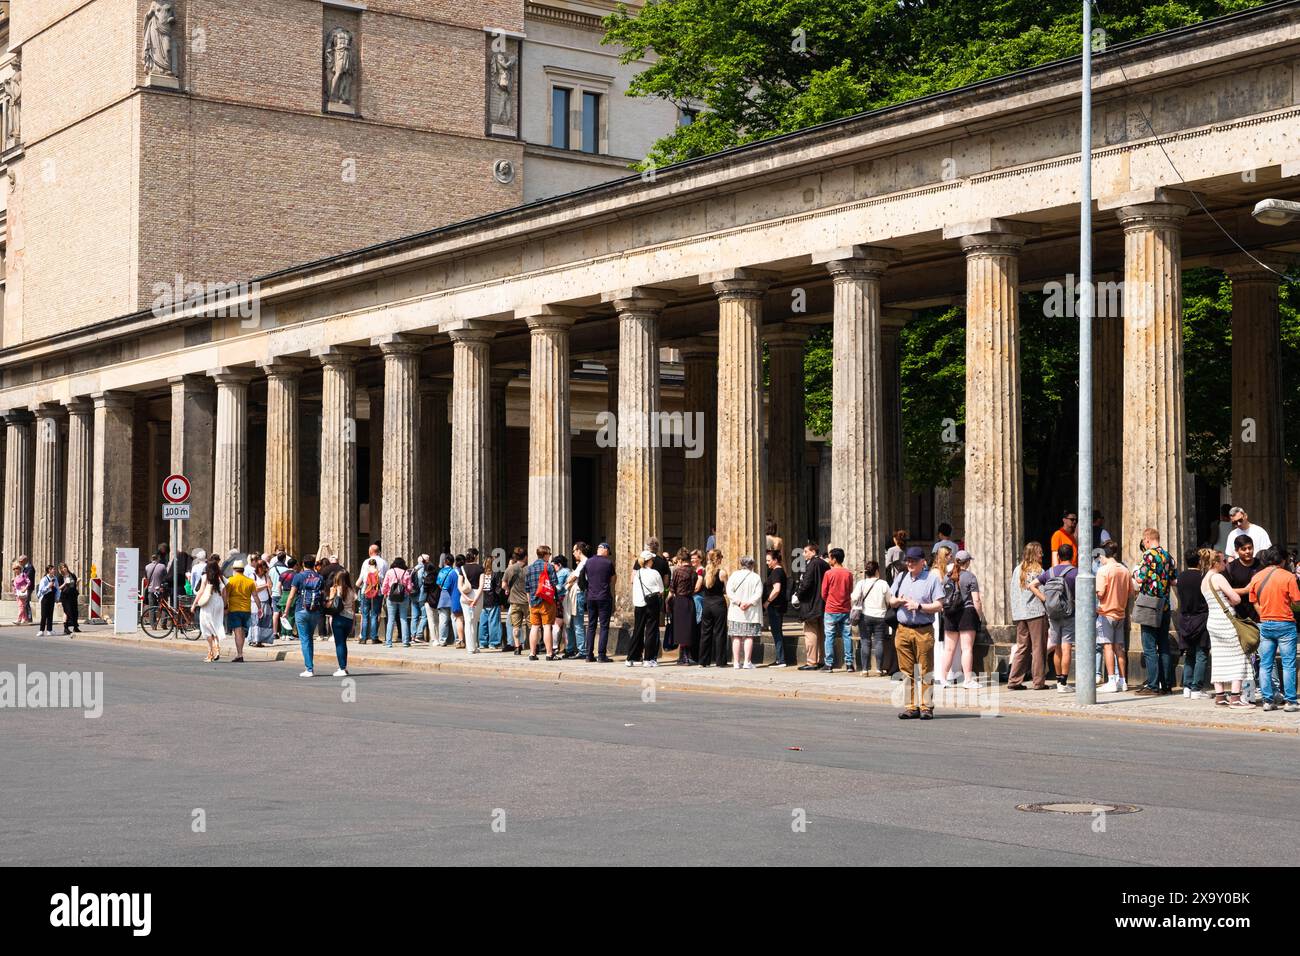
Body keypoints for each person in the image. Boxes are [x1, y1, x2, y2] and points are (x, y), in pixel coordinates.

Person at [887, 546, 945, 719]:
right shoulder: (901, 576)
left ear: (923, 562)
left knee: (926, 670)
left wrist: (918, 606)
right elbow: (890, 599)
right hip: (903, 630)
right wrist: (897, 601)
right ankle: (911, 707)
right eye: (908, 560)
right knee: (906, 671)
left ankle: (926, 707)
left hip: (923, 631)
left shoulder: (931, 579)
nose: (910, 564)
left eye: (913, 561)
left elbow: (939, 605)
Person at [1248, 546, 1299, 712]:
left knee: (1265, 664)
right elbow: (1297, 601)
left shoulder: (1257, 576)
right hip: (1285, 623)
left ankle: (1267, 700)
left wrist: (1262, 612)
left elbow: (1253, 599)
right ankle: (1290, 701)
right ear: (1282, 560)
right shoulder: (1288, 576)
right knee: (1288, 664)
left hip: (1265, 623)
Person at [1201, 549, 1253, 708]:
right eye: (1223, 561)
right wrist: (1231, 601)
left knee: (1219, 657)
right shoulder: (1218, 577)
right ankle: (1236, 698)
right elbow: (1236, 598)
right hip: (1226, 621)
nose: (1226, 564)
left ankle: (1220, 696)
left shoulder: (1204, 579)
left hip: (1213, 622)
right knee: (1239, 655)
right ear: (1215, 563)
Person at [1132, 528, 1177, 696]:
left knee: (1149, 646)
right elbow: (1173, 580)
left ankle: (1152, 685)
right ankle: (1166, 685)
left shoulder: (1148, 555)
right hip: (1164, 605)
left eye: (1144, 541)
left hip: (1149, 604)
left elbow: (1140, 579)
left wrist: (1135, 572)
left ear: (1147, 540)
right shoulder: (1168, 556)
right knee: (1163, 644)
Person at [938, 549, 983, 689]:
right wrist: (979, 615)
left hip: (950, 613)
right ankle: (968, 680)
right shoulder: (970, 577)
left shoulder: (947, 576)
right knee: (966, 648)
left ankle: (943, 678)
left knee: (949, 649)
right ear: (967, 562)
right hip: (966, 612)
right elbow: (976, 600)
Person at [1036, 543, 1078, 694]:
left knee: (1057, 648)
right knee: (1067, 647)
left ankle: (1058, 680)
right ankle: (1064, 682)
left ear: (1058, 556)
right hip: (1069, 614)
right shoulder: (1076, 573)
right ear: (1072, 555)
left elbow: (1032, 585)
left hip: (1053, 614)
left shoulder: (1050, 572)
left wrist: (1045, 599)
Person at [1007, 542, 1048, 691]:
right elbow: (1043, 592)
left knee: (1022, 647)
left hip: (1020, 614)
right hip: (1036, 613)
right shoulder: (1038, 571)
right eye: (1040, 552)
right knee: (1038, 647)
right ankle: (1038, 681)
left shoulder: (1017, 570)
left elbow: (1012, 591)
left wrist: (1016, 611)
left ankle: (1014, 680)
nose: (1042, 555)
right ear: (1034, 554)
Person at [1095, 540, 1132, 692]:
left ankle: (1111, 680)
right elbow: (1131, 592)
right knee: (1119, 648)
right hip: (1120, 613)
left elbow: (1100, 593)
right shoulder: (1124, 570)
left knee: (1107, 647)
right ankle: (1122, 681)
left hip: (1106, 612)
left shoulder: (1103, 571)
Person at [1173, 548, 1210, 699]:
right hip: (1201, 618)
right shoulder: (1203, 577)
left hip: (1185, 618)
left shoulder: (1180, 577)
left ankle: (1187, 686)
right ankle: (1196, 687)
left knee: (1189, 654)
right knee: (1201, 653)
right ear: (1200, 561)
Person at [284, 555, 326, 677]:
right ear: (314, 564)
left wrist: (286, 611)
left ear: (303, 564)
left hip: (301, 610)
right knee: (310, 638)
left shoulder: (298, 576)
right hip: (315, 611)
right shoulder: (320, 577)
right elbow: (323, 594)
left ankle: (309, 668)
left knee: (305, 639)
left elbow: (291, 596)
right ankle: (309, 665)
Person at [626, 550, 664, 666]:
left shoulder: (636, 573)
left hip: (639, 604)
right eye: (652, 560)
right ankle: (648, 659)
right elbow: (661, 590)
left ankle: (631, 658)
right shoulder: (655, 573)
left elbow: (633, 583)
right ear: (649, 561)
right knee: (651, 631)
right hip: (651, 604)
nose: (653, 561)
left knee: (638, 630)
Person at [852, 561, 890, 675]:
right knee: (879, 642)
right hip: (881, 616)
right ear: (877, 571)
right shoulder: (883, 584)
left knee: (865, 642)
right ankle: (879, 669)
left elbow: (854, 597)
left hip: (865, 616)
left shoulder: (861, 583)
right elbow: (889, 600)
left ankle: (864, 669)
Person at [726, 555, 764, 669]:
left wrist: (738, 602)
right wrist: (748, 603)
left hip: (736, 612)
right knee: (749, 637)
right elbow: (758, 593)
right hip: (751, 613)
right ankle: (747, 662)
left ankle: (736, 663)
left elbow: (729, 591)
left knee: (736, 637)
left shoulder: (734, 575)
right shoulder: (756, 577)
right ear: (752, 565)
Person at [820, 547, 855, 672]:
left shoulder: (828, 574)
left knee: (829, 636)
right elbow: (851, 591)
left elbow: (823, 593)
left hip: (831, 609)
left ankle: (829, 664)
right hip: (845, 609)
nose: (829, 560)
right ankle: (849, 663)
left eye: (830, 557)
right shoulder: (848, 574)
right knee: (847, 636)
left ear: (834, 559)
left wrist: (830, 600)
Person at [795, 542, 828, 670]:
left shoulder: (812, 564)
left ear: (813, 552)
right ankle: (821, 658)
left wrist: (798, 594)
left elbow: (807, 582)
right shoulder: (824, 564)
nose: (803, 555)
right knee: (821, 632)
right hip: (821, 603)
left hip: (810, 604)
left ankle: (811, 661)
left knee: (810, 632)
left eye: (805, 552)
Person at [580, 542, 615, 662]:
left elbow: (583, 577)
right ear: (604, 549)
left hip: (590, 597)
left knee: (591, 626)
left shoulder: (588, 561)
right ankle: (601, 655)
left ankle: (589, 655)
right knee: (604, 626)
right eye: (608, 552)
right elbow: (612, 579)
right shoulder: (608, 563)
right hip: (604, 596)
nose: (608, 555)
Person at [525, 545, 559, 661]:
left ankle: (532, 653)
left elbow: (527, 588)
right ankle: (549, 654)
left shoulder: (529, 568)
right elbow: (554, 583)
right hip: (546, 601)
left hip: (533, 602)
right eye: (549, 554)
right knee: (547, 626)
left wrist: (530, 602)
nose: (550, 556)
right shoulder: (549, 567)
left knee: (534, 627)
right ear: (545, 554)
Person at [697, 549, 728, 667]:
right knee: (720, 633)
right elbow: (727, 589)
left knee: (705, 633)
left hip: (707, 604)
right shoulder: (722, 573)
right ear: (719, 559)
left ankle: (703, 661)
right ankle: (720, 661)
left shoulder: (704, 572)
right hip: (719, 604)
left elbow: (699, 586)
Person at [222, 558, 257, 662]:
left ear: (234, 569)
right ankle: (240, 652)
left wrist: (225, 607)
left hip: (234, 609)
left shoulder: (230, 581)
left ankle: (240, 654)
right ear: (243, 570)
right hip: (246, 609)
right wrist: (260, 608)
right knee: (242, 631)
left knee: (237, 631)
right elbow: (255, 596)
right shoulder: (250, 581)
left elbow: (226, 596)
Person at [668, 548, 698, 665]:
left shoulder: (677, 571)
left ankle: (684, 656)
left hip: (680, 601)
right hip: (690, 600)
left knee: (680, 629)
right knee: (688, 629)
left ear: (680, 559)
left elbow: (672, 587)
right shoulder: (694, 572)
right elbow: (694, 587)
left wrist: (668, 600)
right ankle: (686, 655)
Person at [1225, 535, 1261, 623]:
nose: (1248, 551)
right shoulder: (1231, 567)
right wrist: (1246, 590)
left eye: (1250, 548)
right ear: (1237, 551)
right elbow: (1225, 591)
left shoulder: (1261, 565)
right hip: (1239, 616)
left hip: (1260, 615)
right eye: (1243, 549)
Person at [195, 559, 226, 663]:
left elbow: (200, 591)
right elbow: (225, 591)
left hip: (208, 602)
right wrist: (225, 604)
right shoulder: (221, 578)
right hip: (219, 602)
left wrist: (194, 603)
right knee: (216, 625)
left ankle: (210, 651)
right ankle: (217, 646)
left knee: (206, 626)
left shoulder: (205, 577)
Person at [326, 569, 355, 677]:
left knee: (339, 644)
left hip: (338, 618)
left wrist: (331, 597)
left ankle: (342, 668)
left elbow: (330, 605)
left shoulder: (335, 589)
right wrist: (353, 623)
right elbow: (353, 607)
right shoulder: (352, 591)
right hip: (349, 619)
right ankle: (343, 666)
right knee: (344, 643)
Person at [763, 550, 789, 667]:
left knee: (776, 632)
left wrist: (768, 602)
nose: (767, 563)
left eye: (769, 560)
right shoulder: (778, 571)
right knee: (777, 632)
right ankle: (779, 658)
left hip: (775, 606)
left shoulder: (776, 572)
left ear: (775, 560)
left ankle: (781, 659)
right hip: (777, 605)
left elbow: (777, 589)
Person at [564, 542, 589, 659]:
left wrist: (571, 578)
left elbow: (572, 577)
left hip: (579, 594)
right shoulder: (583, 563)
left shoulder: (584, 563)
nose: (573, 553)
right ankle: (578, 648)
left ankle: (582, 650)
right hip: (578, 593)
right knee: (575, 622)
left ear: (579, 550)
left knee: (578, 623)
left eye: (574, 551)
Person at [503, 548, 529, 654]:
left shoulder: (510, 569)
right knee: (533, 625)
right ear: (525, 557)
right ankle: (534, 646)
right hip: (527, 602)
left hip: (514, 602)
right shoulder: (529, 569)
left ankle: (517, 647)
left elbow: (503, 584)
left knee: (516, 626)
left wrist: (508, 590)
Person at [382, 557, 413, 648]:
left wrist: (385, 593)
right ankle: (405, 641)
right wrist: (407, 591)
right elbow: (410, 588)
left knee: (391, 619)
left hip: (391, 597)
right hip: (403, 597)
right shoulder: (406, 572)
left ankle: (388, 642)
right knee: (403, 618)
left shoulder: (389, 572)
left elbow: (384, 585)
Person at [460, 548, 486, 654]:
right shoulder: (480, 568)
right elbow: (481, 586)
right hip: (477, 595)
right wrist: (475, 599)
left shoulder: (462, 568)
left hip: (465, 595)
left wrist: (466, 597)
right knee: (474, 621)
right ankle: (474, 646)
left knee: (468, 621)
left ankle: (470, 647)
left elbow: (459, 586)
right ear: (476, 556)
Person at [479, 555, 505, 651]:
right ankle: (493, 643)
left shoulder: (482, 573)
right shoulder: (495, 574)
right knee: (494, 622)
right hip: (493, 600)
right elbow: (498, 589)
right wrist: (501, 602)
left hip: (483, 600)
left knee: (483, 622)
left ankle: (482, 642)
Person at [357, 553, 384, 644]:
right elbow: (382, 584)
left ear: (369, 564)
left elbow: (357, 583)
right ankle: (374, 637)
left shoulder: (365, 573)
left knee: (364, 616)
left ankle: (363, 638)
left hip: (366, 593)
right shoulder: (379, 574)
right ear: (376, 564)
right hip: (376, 594)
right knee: (374, 615)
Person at [247, 557, 274, 647]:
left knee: (264, 621)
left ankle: (260, 640)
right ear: (258, 568)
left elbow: (270, 586)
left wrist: (267, 576)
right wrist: (265, 585)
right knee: (255, 621)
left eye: (265, 568)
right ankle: (254, 639)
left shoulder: (266, 576)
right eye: (262, 568)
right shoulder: (252, 576)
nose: (263, 570)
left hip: (265, 601)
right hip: (255, 602)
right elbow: (255, 589)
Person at [35, 565, 58, 636]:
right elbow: (41, 590)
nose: (54, 570)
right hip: (45, 598)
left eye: (54, 569)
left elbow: (57, 589)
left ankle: (49, 630)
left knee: (50, 614)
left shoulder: (55, 579)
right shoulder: (44, 579)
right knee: (44, 614)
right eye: (52, 569)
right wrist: (49, 586)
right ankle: (41, 630)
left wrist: (57, 597)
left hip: (52, 597)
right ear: (49, 570)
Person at [57, 563, 80, 634]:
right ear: (60, 569)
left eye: (65, 567)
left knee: (75, 611)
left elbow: (75, 585)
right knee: (67, 611)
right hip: (65, 596)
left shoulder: (72, 575)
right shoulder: (60, 577)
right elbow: (58, 588)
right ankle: (65, 628)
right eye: (62, 568)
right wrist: (65, 583)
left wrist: (78, 582)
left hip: (73, 595)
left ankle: (75, 627)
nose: (64, 569)